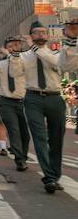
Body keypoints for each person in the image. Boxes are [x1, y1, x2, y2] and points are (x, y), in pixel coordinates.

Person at [22, 22, 66, 193]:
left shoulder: (57, 53)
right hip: (33, 98)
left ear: (47, 36)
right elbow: (13, 73)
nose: (40, 35)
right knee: (39, 137)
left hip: (55, 98)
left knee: (56, 140)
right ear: (30, 35)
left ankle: (55, 175)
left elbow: (54, 62)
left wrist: (33, 48)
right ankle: (49, 178)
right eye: (36, 33)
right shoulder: (24, 56)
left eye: (43, 32)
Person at [0, 37, 29, 172]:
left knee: (25, 134)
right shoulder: (0, 64)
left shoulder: (26, 60)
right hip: (7, 102)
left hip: (24, 102)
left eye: (17, 45)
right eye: (10, 46)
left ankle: (23, 156)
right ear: (5, 49)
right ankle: (20, 160)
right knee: (14, 131)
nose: (14, 47)